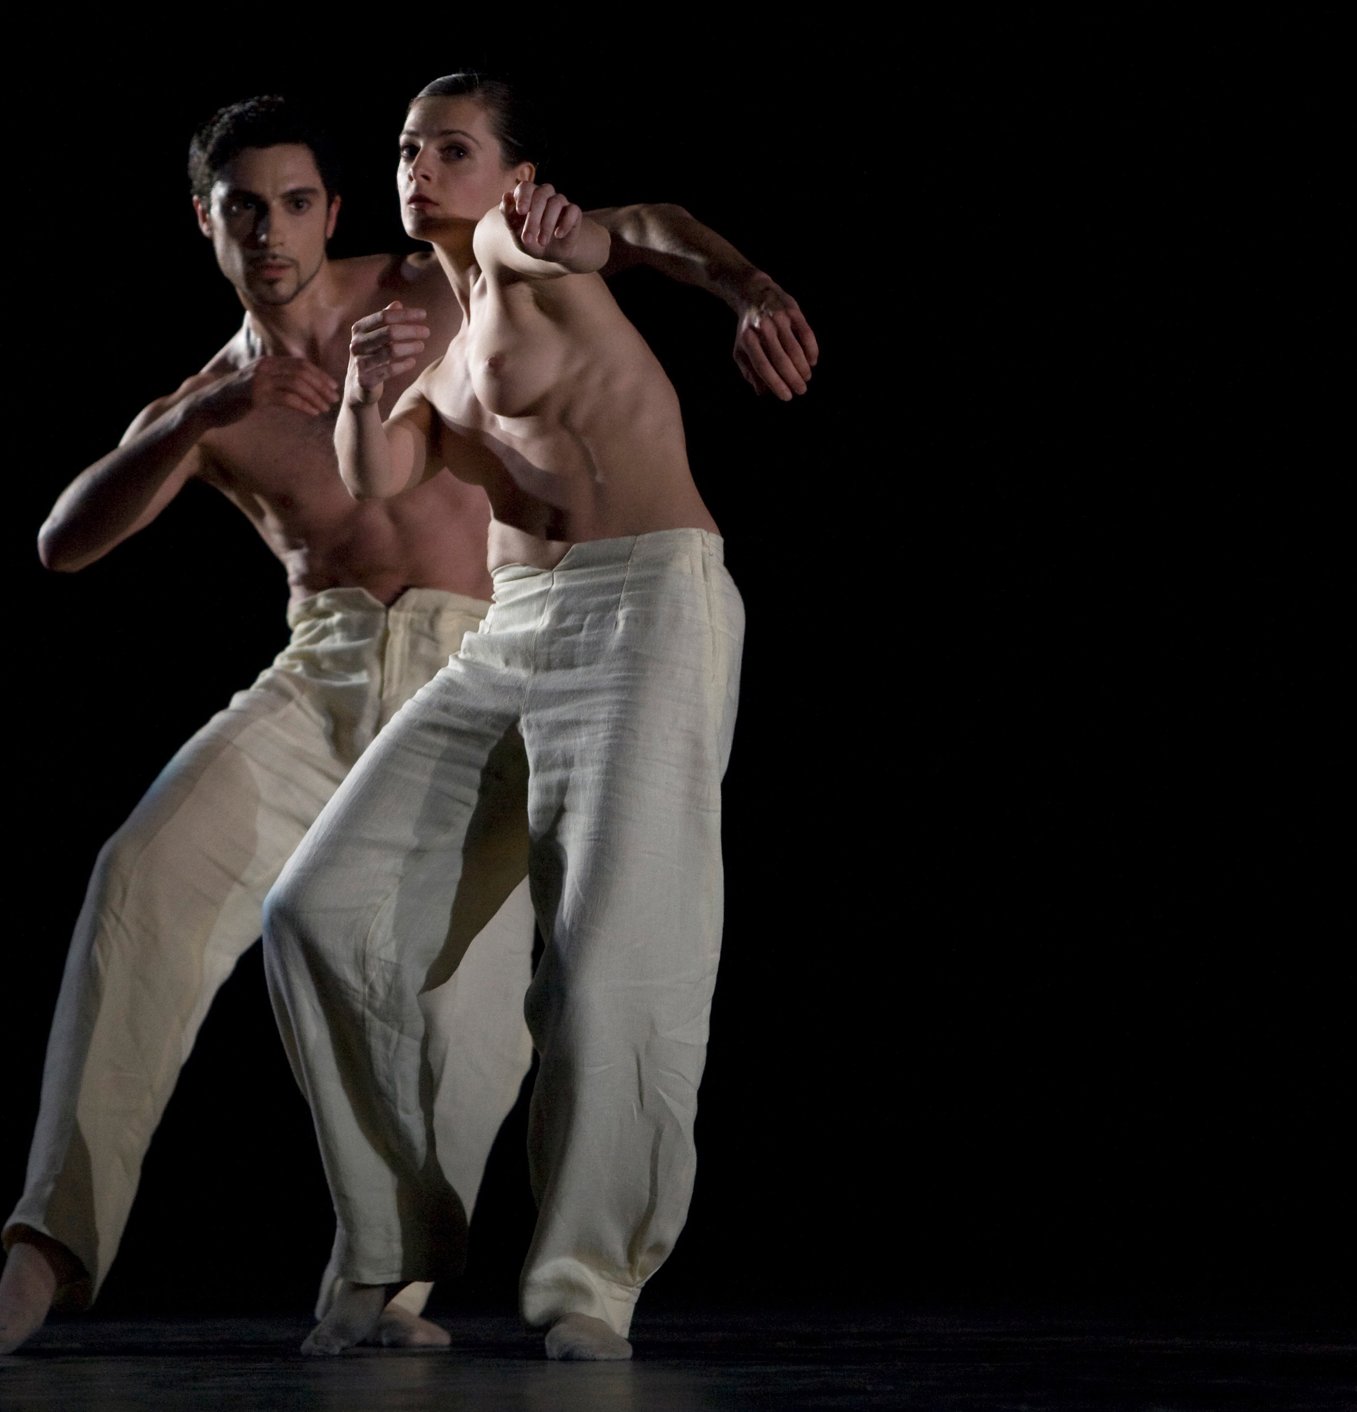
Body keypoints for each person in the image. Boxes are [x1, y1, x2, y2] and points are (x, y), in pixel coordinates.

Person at [0, 93, 817, 1357]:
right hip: (347, 663)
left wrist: (729, 282)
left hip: (522, 624)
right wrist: (242, 409)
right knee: (207, 891)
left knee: (528, 976)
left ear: (336, 209)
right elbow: (72, 537)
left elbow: (611, 234)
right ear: (201, 221)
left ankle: (480, 1282)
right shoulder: (227, 391)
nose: (272, 232)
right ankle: (112, 1243)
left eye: (298, 201)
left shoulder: (449, 268)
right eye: (241, 208)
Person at [263, 73, 809, 1361]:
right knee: (318, 910)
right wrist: (360, 386)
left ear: (509, 177)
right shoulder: (434, 338)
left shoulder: (527, 243)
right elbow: (379, 476)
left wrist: (742, 288)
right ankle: (394, 1236)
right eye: (405, 148)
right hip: (511, 630)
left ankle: (583, 1283)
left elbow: (659, 224)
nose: (417, 167)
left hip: (643, 606)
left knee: (614, 947)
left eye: (451, 148)